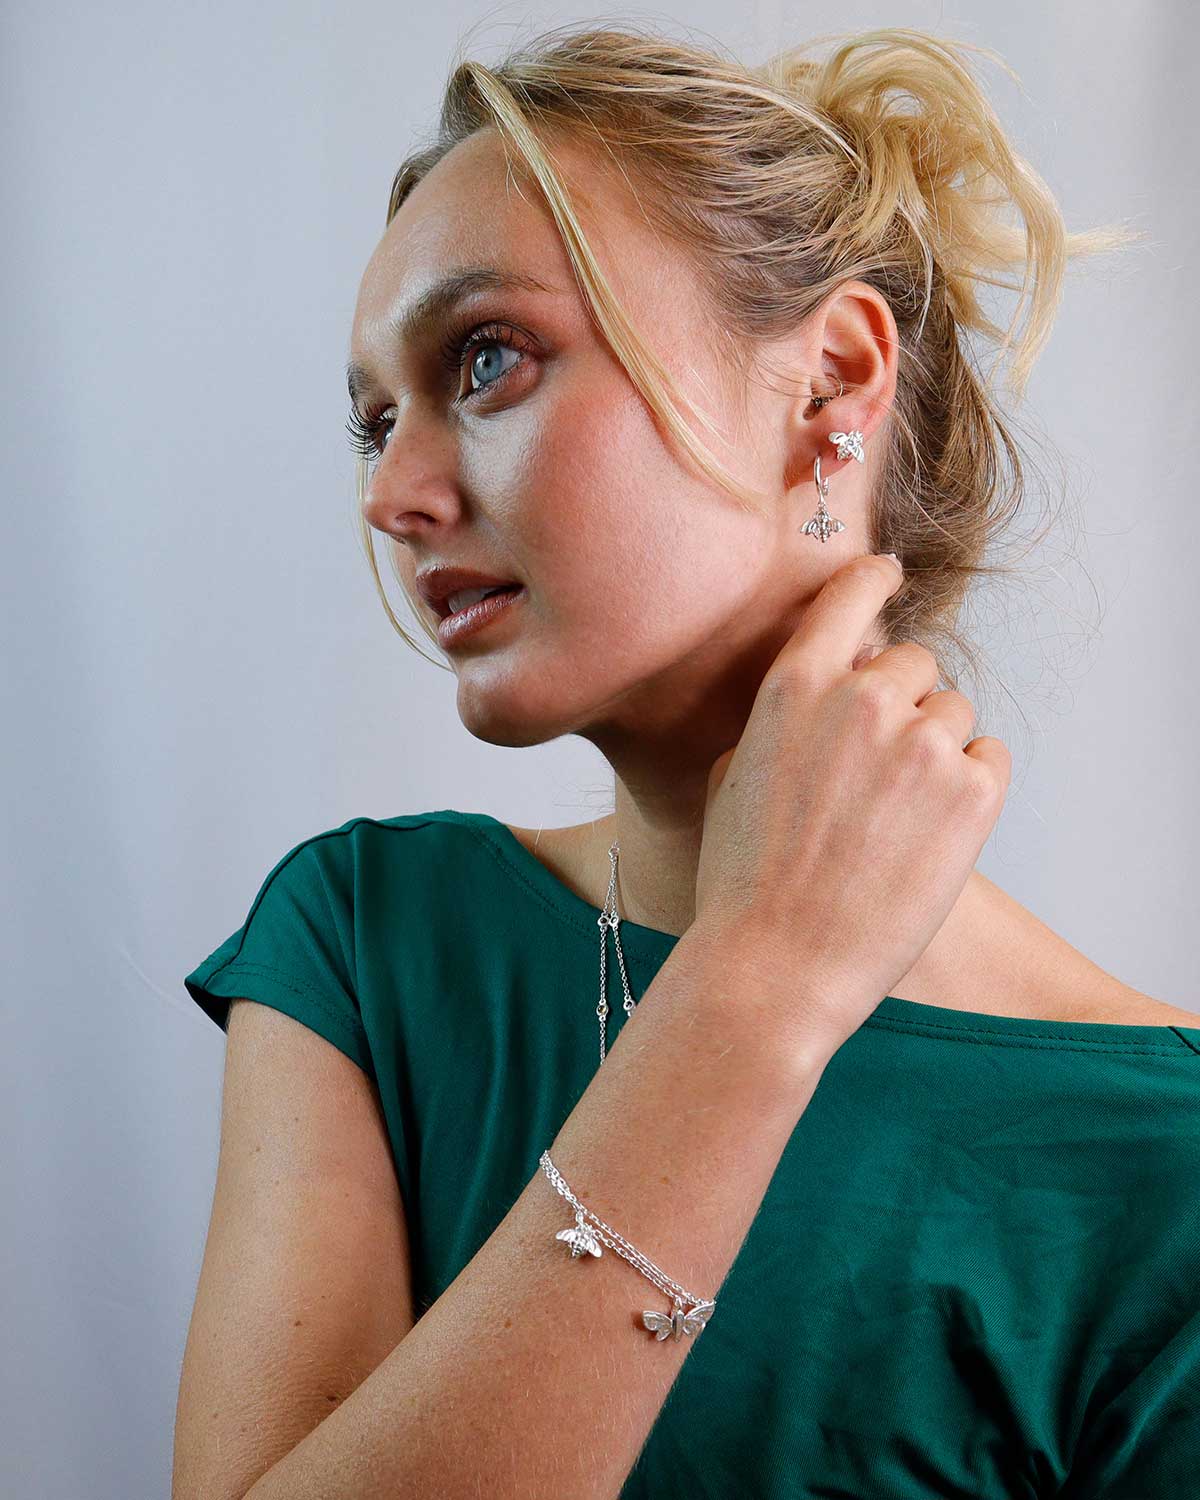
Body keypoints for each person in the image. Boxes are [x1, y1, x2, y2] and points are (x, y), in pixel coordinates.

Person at [174, 23, 1200, 1499]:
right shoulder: (368, 945)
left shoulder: (1161, 1172)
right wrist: (751, 988)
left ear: (831, 386)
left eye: (485, 360)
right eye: (373, 421)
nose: (393, 494)